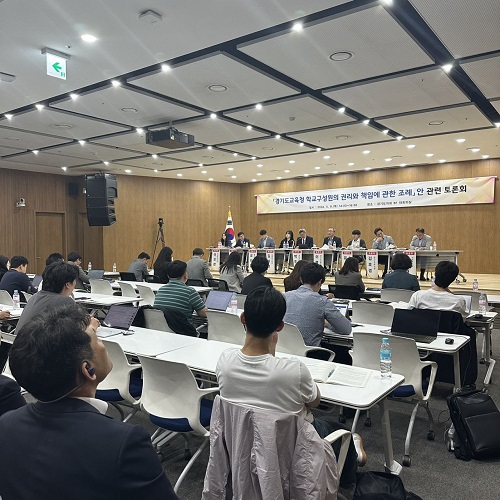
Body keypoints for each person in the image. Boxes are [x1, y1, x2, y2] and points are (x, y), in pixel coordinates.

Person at [0, 304, 177, 499]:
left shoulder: (6, 424)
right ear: (88, 370)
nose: (102, 343)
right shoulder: (123, 443)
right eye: (97, 338)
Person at [216, 287, 364, 493]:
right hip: (293, 442)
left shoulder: (224, 361)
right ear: (280, 326)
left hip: (243, 442)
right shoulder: (294, 370)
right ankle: (348, 487)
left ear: (243, 318)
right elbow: (315, 402)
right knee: (341, 432)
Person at [284, 263, 352, 346]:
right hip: (310, 351)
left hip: (284, 349)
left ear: (301, 280)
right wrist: (326, 324)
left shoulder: (285, 296)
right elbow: (346, 329)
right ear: (320, 282)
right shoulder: (322, 301)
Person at [15, 262, 78, 332]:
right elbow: (76, 330)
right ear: (68, 284)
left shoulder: (34, 296)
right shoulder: (65, 301)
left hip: (15, 338)